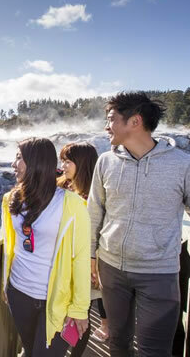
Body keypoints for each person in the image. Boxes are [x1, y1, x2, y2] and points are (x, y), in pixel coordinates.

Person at [89, 92, 190, 357]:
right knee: (118, 343)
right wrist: (90, 255)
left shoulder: (185, 166)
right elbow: (94, 213)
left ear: (135, 121)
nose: (106, 126)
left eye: (111, 119)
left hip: (158, 273)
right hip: (111, 269)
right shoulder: (106, 162)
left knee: (154, 351)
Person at [2, 137, 91, 356]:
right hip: (19, 291)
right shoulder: (11, 199)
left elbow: (80, 257)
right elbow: (10, 245)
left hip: (57, 299)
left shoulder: (72, 204)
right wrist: (5, 284)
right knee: (31, 349)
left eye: (18, 158)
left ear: (36, 162)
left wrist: (79, 308)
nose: (14, 164)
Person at [57, 142, 109, 356]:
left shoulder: (97, 196)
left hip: (84, 263)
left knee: (80, 315)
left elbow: (99, 231)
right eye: (63, 161)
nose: (63, 166)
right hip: (60, 263)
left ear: (84, 164)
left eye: (68, 161)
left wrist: (93, 264)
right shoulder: (59, 187)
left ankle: (75, 353)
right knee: (59, 312)